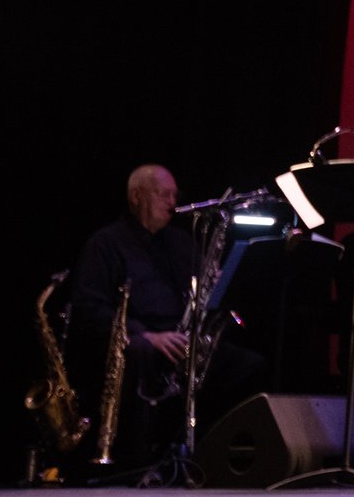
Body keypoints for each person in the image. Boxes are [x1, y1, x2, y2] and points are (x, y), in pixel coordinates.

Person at [68, 164, 263, 467]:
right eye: (163, 194)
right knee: (140, 353)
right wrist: (144, 335)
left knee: (249, 365)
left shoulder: (182, 244)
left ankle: (218, 456)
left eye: (175, 195)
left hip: (183, 340)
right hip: (141, 340)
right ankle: (137, 461)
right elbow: (89, 309)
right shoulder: (105, 244)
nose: (172, 202)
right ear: (136, 196)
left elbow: (205, 299)